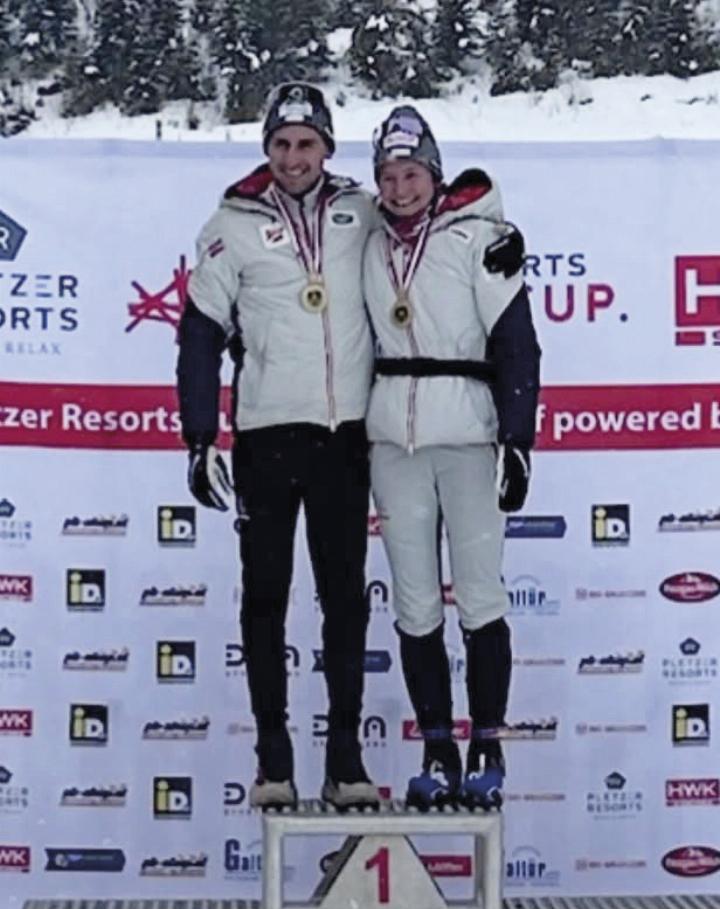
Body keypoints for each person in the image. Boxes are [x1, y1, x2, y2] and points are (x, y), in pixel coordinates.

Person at [175, 82, 381, 810]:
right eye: (282, 144)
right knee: (265, 600)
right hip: (265, 437)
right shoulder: (230, 222)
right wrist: (200, 437)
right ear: (267, 149)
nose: (295, 158)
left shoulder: (364, 212)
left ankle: (347, 759)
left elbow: (433, 227)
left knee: (345, 603)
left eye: (308, 143)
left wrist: (493, 235)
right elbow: (199, 333)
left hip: (343, 437)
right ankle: (273, 760)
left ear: (329, 145)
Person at [363, 106, 541, 810]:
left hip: (467, 435)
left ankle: (486, 742)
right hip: (394, 441)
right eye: (388, 175)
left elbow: (517, 341)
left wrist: (517, 441)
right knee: (413, 603)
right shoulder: (364, 237)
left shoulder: (479, 236)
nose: (401, 188)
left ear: (433, 174)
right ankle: (436, 745)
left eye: (412, 173)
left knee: (480, 594)